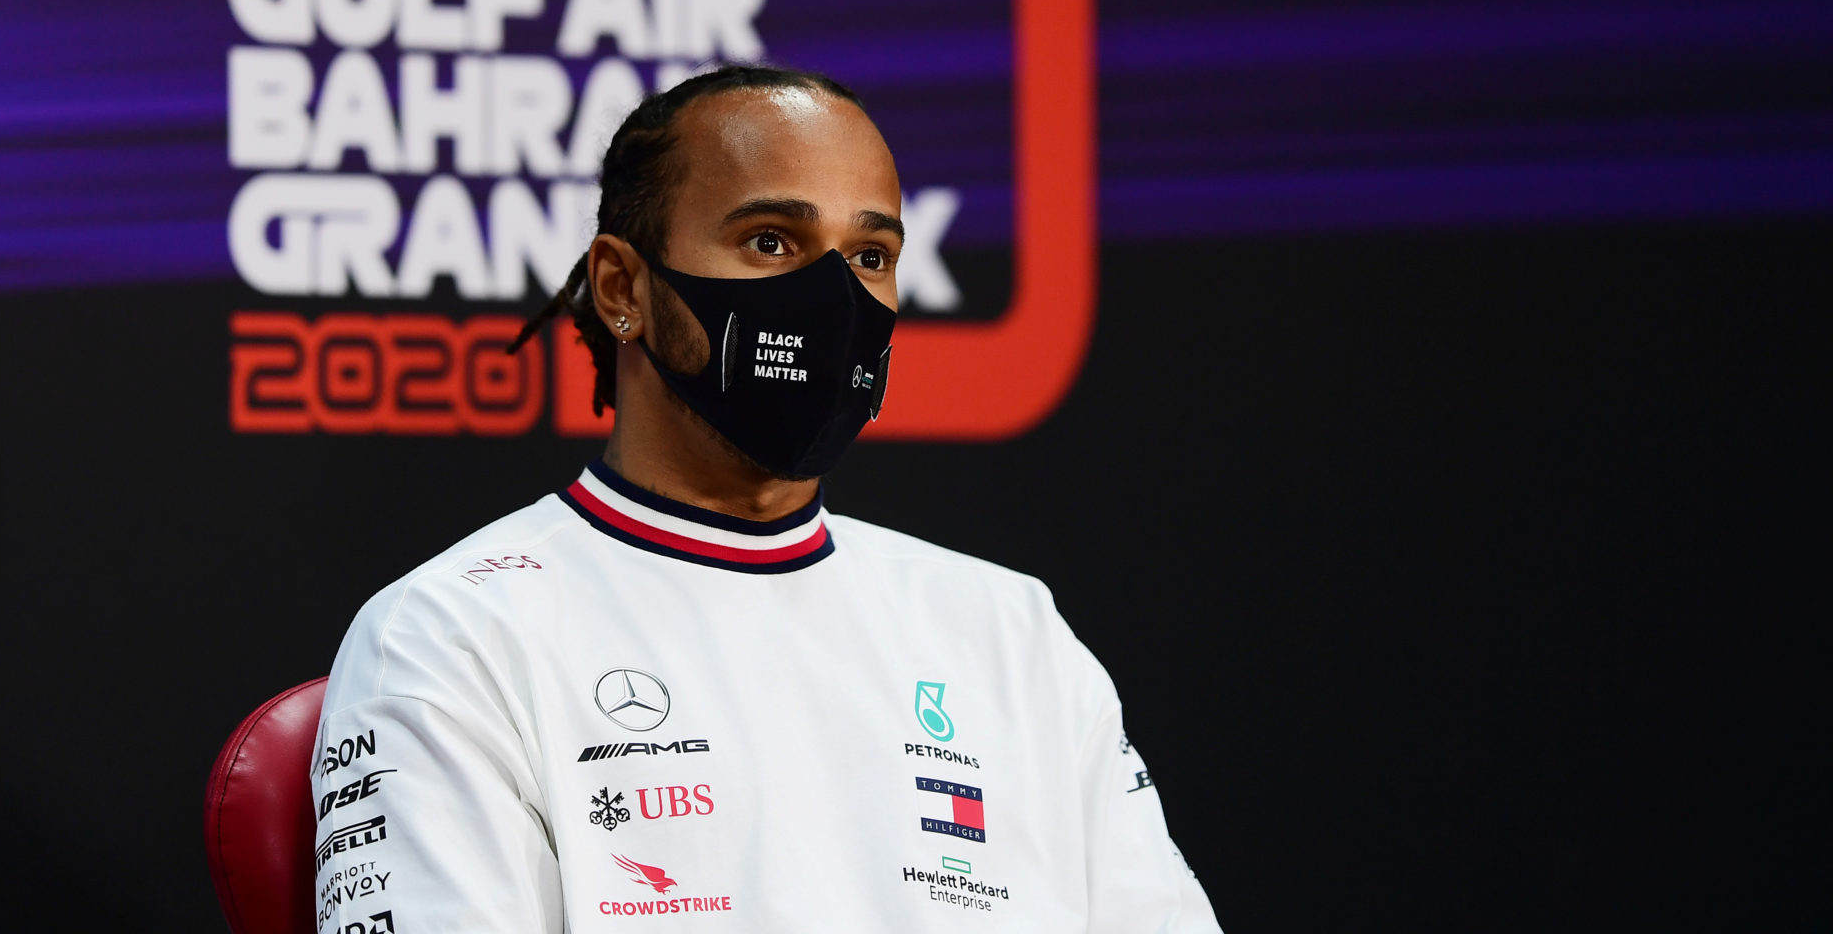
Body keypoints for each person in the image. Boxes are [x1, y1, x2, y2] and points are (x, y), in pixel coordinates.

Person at [311, 64, 1223, 933]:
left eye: (870, 255)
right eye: (771, 242)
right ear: (622, 286)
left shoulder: (1012, 631)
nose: (832, 298)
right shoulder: (449, 635)